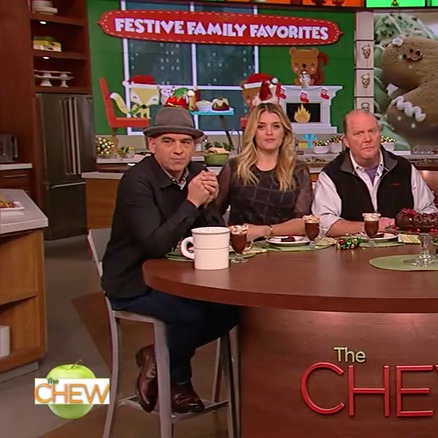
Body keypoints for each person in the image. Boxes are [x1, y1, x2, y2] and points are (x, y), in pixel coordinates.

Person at [101, 107, 238, 414]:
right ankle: (180, 382)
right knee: (189, 314)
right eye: (168, 141)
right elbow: (154, 245)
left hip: (178, 276)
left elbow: (213, 231)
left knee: (231, 309)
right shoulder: (137, 181)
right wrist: (192, 201)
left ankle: (156, 355)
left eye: (185, 142)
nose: (178, 150)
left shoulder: (196, 173)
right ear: (152, 144)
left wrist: (210, 203)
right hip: (132, 281)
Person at [312, 109, 437, 236]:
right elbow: (323, 223)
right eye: (359, 133)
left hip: (403, 246)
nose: (368, 138)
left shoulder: (404, 168)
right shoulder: (331, 175)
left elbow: (429, 210)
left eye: (372, 131)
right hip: (353, 247)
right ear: (346, 141)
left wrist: (407, 224)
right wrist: (369, 226)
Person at [214, 103, 312, 239]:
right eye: (261, 127)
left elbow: (304, 223)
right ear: (253, 132)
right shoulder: (235, 167)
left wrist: (266, 230)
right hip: (242, 247)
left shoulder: (298, 170)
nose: (269, 132)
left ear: (285, 132)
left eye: (276, 126)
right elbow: (213, 214)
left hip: (285, 247)